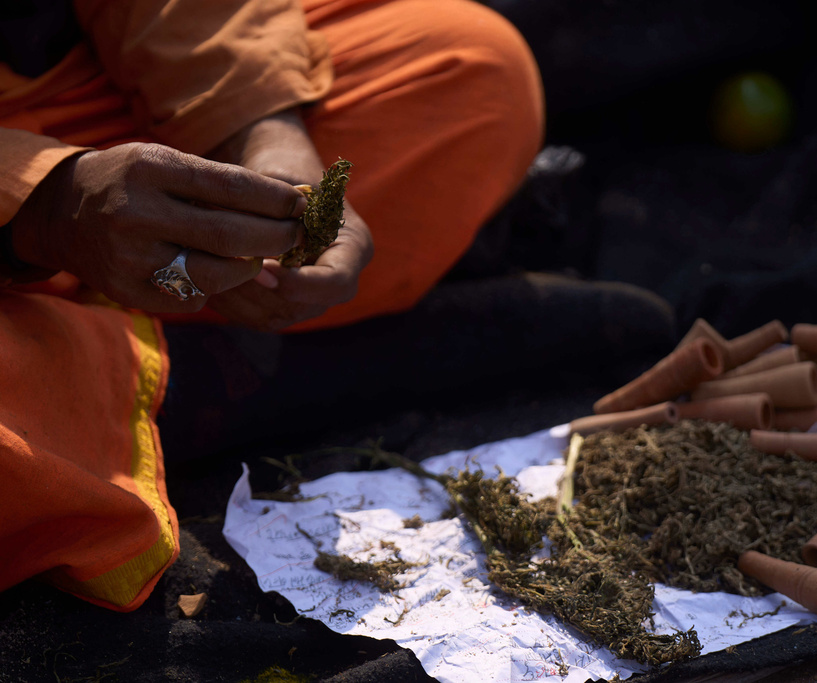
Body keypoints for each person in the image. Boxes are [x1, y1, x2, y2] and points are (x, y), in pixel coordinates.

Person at [0, 0, 543, 611]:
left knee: (472, 71)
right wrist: (45, 202)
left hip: (88, 97)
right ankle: (195, 378)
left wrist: (266, 136)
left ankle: (117, 366)